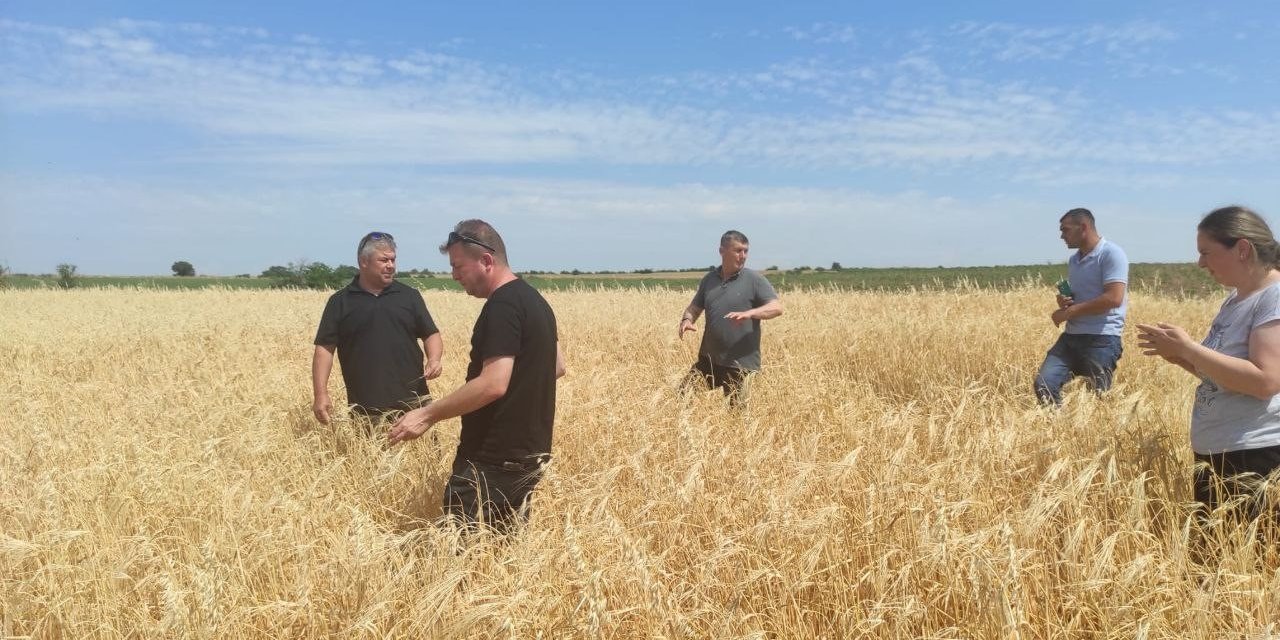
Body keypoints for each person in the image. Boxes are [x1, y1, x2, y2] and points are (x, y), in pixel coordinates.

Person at [389, 220, 565, 533]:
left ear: (486, 261)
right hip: (528, 456)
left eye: (458, 266)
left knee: (460, 562)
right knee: (501, 561)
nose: (454, 275)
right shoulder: (535, 301)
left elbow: (493, 383)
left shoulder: (503, 306)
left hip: (491, 460)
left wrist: (427, 414)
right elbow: (556, 366)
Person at [1138, 205, 1280, 530]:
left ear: (1242, 249)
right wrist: (1181, 357)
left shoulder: (1273, 297)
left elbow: (1266, 381)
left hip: (1254, 456)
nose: (1200, 263)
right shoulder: (1236, 299)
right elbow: (1227, 377)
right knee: (1214, 562)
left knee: (1240, 569)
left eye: (1206, 252)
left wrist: (1190, 348)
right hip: (1221, 451)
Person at [313, 231, 443, 429]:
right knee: (369, 458)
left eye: (393, 259)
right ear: (363, 261)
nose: (391, 265)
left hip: (414, 402)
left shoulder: (409, 296)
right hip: (365, 407)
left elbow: (431, 334)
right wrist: (320, 394)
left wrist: (434, 358)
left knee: (422, 457)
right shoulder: (340, 302)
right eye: (384, 260)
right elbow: (325, 349)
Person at [1033, 208, 1129, 405]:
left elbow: (1113, 298)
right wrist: (1065, 302)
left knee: (1097, 400)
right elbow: (1082, 298)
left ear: (1083, 227)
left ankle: (1092, 435)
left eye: (1065, 230)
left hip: (1102, 339)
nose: (1061, 236)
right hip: (1071, 337)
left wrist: (1069, 312)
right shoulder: (1074, 260)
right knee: (1044, 383)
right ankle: (1058, 431)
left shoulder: (1112, 254)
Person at [678, 230, 783, 404]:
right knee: (683, 396)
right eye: (738, 250)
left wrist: (750, 313)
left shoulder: (754, 280)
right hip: (709, 359)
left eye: (746, 251)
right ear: (722, 251)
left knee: (736, 415)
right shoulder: (709, 280)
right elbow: (694, 308)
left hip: (740, 363)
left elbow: (777, 308)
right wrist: (686, 320)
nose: (743, 256)